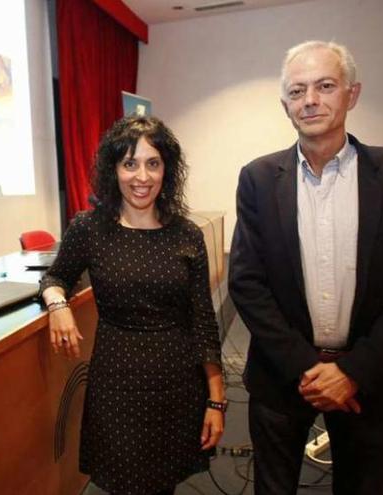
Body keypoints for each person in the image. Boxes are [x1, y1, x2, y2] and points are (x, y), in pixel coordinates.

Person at [228, 40, 383, 494]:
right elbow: (246, 282)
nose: (310, 101)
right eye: (298, 91)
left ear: (352, 94)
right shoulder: (258, 179)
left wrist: (352, 371)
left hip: (370, 377)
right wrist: (307, 367)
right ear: (285, 104)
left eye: (325, 86)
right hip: (282, 377)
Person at [41, 115, 225, 495]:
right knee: (124, 483)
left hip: (177, 383)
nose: (142, 176)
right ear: (114, 170)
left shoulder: (187, 234)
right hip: (116, 385)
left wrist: (217, 400)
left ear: (166, 170)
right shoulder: (88, 229)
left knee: (163, 485)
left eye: (152, 163)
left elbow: (204, 322)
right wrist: (57, 304)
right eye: (130, 163)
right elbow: (55, 277)